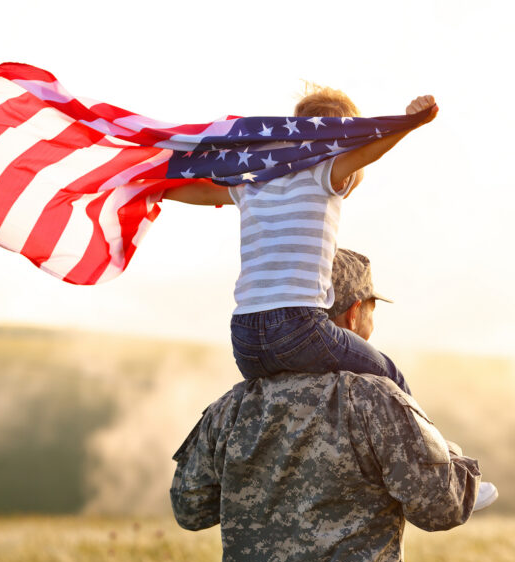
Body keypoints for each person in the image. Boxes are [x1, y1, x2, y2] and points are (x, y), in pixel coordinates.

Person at [170, 249, 497, 562]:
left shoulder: (230, 409)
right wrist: (452, 459)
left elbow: (189, 508)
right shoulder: (373, 398)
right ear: (354, 313)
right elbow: (443, 507)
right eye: (373, 311)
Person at [163, 87, 437, 395]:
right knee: (391, 377)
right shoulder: (323, 172)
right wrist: (410, 123)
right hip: (298, 329)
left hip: (245, 340)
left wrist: (150, 186)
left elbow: (200, 192)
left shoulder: (255, 179)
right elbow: (366, 154)